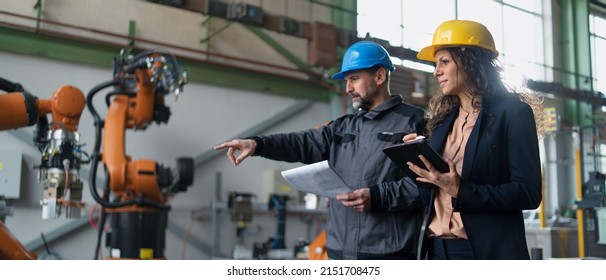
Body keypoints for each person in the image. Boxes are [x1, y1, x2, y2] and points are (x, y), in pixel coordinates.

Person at [214, 41, 427, 260]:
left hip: (388, 253)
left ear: (380, 76)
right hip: (338, 252)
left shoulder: (414, 123)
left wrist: (378, 197)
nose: (348, 89)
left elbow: (426, 185)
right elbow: (301, 142)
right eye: (346, 81)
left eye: (354, 79)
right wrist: (258, 144)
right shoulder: (343, 127)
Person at [406, 19, 544, 260]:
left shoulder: (513, 113)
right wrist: (417, 158)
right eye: (436, 64)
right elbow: (431, 192)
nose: (436, 71)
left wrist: (462, 190)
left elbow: (528, 193)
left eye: (444, 62)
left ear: (470, 61)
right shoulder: (442, 122)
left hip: (482, 252)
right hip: (435, 250)